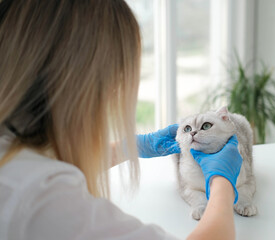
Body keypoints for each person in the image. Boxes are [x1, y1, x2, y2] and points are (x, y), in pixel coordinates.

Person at [0, 1, 243, 239]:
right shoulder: (43, 198)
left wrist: (129, 147)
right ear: (84, 86)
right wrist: (221, 183)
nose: (116, 94)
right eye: (117, 81)